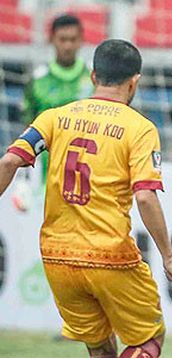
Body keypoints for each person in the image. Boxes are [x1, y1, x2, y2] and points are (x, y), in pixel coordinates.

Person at [0, 39, 172, 358]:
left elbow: (10, 162)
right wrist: (169, 257)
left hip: (56, 255)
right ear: (134, 82)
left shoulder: (55, 117)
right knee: (149, 338)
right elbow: (145, 197)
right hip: (109, 254)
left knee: (100, 347)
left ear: (92, 76)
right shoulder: (138, 127)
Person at [13, 13, 92, 211]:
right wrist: (22, 179)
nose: (67, 46)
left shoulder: (94, 78)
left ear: (81, 40)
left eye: (73, 40)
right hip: (47, 179)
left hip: (91, 177)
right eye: (62, 39)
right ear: (52, 39)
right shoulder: (38, 81)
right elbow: (26, 131)